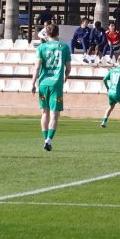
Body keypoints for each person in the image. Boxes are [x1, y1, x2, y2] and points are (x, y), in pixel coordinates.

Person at [31, 22, 71, 151]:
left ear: (47, 34)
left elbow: (37, 67)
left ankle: (45, 139)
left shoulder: (41, 48)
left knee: (44, 112)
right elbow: (68, 67)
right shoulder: (64, 47)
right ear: (58, 33)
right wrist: (66, 75)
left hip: (43, 83)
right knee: (54, 113)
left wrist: (32, 83)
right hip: (56, 84)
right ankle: (49, 140)